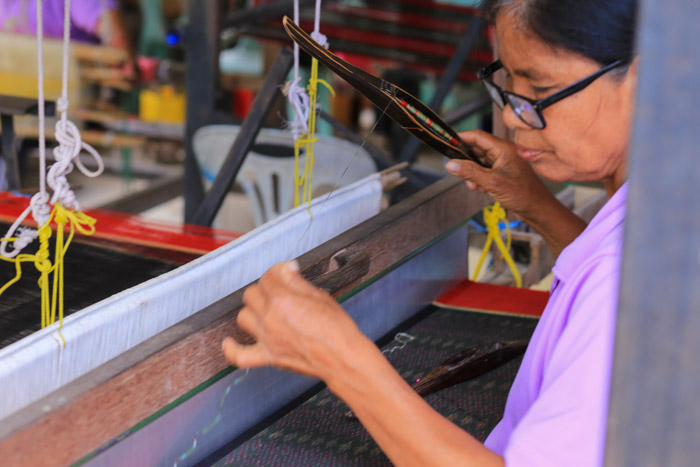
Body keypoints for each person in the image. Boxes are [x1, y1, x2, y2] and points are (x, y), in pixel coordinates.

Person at [221, 0, 639, 465]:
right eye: (508, 85)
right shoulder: (658, 212)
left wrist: (342, 360)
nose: (514, 117)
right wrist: (535, 205)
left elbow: (608, 281)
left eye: (539, 90)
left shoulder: (633, 283)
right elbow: (595, 268)